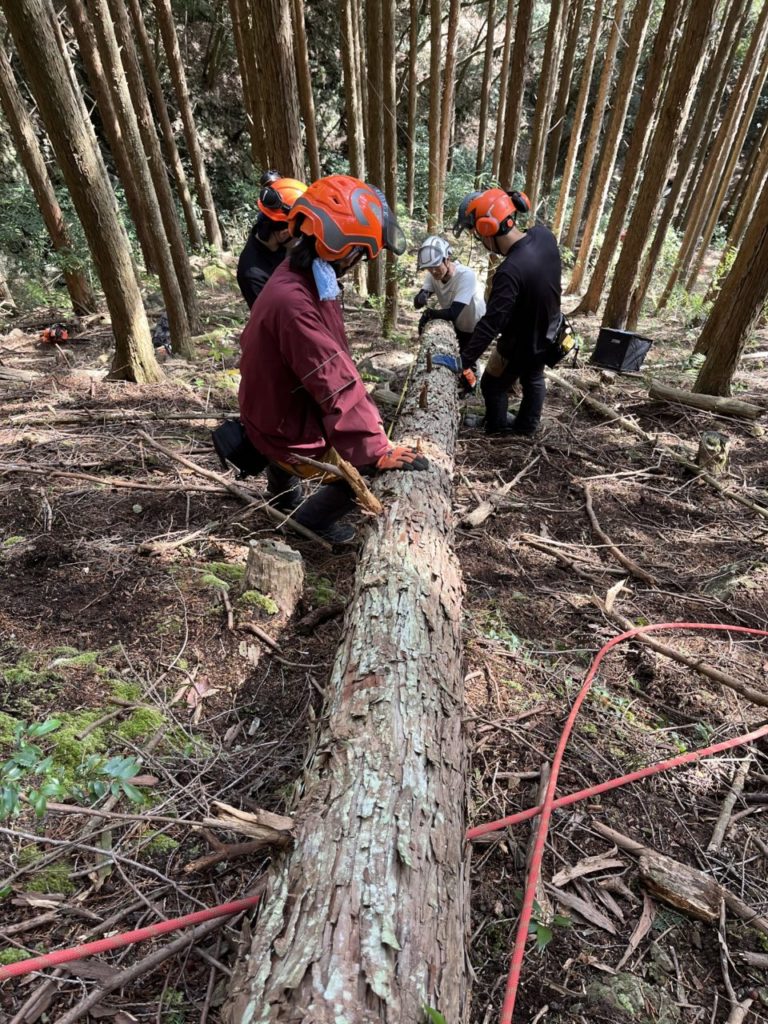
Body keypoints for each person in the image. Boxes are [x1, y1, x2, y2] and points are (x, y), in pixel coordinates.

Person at [237, 174, 429, 544]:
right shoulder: (295, 303)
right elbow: (334, 380)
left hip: (270, 409)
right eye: (360, 254)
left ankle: (282, 497)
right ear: (344, 247)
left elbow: (330, 359)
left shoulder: (303, 274)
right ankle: (309, 523)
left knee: (362, 432)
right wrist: (375, 451)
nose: (358, 262)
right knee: (363, 464)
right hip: (279, 426)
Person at [453, 188, 561, 436]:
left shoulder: (509, 272)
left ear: (488, 228)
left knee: (492, 384)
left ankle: (498, 426)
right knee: (534, 377)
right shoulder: (544, 236)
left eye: (478, 234)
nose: (480, 240)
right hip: (549, 329)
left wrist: (463, 362)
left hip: (520, 342)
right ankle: (526, 427)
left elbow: (491, 324)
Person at [236, 171, 307, 308]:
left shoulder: (274, 233)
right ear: (284, 233)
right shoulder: (253, 276)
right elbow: (275, 320)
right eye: (300, 232)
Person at [414, 235, 485, 354]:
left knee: (467, 365)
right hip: (460, 325)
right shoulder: (432, 276)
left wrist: (429, 314)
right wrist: (420, 298)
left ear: (447, 259)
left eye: (436, 266)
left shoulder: (465, 275)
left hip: (478, 328)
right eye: (429, 269)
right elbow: (417, 303)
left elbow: (453, 313)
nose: (434, 271)